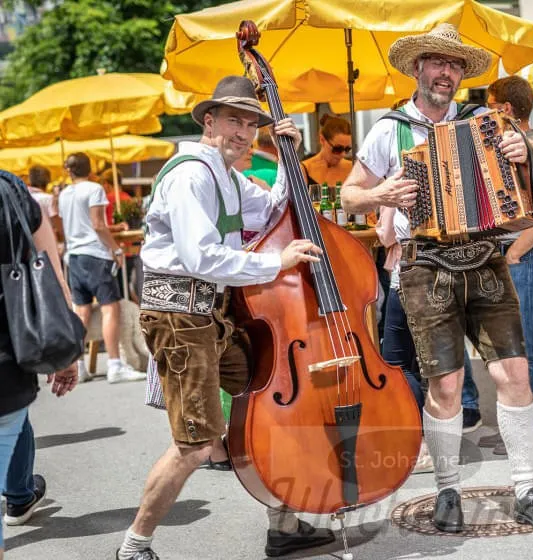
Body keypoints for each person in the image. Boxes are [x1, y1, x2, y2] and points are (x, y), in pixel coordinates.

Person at [342, 23, 533, 533]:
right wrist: (382, 196)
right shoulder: (389, 129)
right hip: (424, 264)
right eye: (439, 63)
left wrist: (526, 153)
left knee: (515, 374)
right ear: (418, 68)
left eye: (456, 65)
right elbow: (351, 193)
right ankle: (447, 491)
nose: (447, 73)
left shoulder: (484, 119)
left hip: (485, 256)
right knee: (445, 384)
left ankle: (527, 488)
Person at [116, 75, 335, 560]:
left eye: (252, 122)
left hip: (209, 314)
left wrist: (288, 158)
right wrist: (274, 264)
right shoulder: (191, 174)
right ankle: (133, 547)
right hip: (179, 315)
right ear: (209, 120)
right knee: (196, 445)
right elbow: (200, 257)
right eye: (234, 119)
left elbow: (274, 209)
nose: (244, 131)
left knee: (273, 406)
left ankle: (283, 524)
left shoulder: (227, 176)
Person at [474, 75, 533, 455]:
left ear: (505, 110)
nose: (487, 115)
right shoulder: (510, 150)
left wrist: (511, 254)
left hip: (525, 256)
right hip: (515, 256)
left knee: (530, 347)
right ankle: (518, 421)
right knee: (509, 349)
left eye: (491, 107)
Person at [0, 170, 80, 560]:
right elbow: (49, 270)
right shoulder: (10, 189)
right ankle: (18, 495)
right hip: (6, 359)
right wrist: (65, 354)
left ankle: (20, 493)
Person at [58, 152, 146, 384]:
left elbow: (68, 226)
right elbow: (97, 225)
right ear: (90, 169)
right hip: (95, 255)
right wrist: (116, 250)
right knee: (111, 308)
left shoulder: (65, 193)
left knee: (82, 311)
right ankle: (115, 365)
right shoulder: (94, 189)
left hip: (74, 255)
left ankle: (79, 364)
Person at [300, 114, 353, 187]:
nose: (343, 154)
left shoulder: (352, 168)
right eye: (337, 148)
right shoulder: (304, 169)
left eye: (347, 149)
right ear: (322, 140)